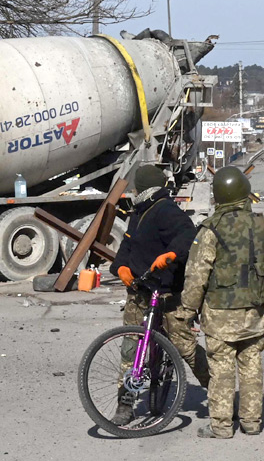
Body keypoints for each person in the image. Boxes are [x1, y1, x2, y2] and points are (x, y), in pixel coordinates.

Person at [182, 166, 264, 439]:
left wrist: (186, 311)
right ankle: (252, 422)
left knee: (221, 369)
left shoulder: (210, 230)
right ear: (244, 194)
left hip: (219, 314)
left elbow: (197, 276)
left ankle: (221, 426)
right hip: (254, 311)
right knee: (251, 365)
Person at [111, 163, 209, 425]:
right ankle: (126, 403)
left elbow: (189, 235)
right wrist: (120, 266)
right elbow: (128, 244)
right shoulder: (139, 211)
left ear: (142, 188)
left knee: (186, 349)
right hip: (140, 293)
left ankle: (217, 390)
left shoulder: (165, 210)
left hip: (166, 295)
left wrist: (171, 254)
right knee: (131, 350)